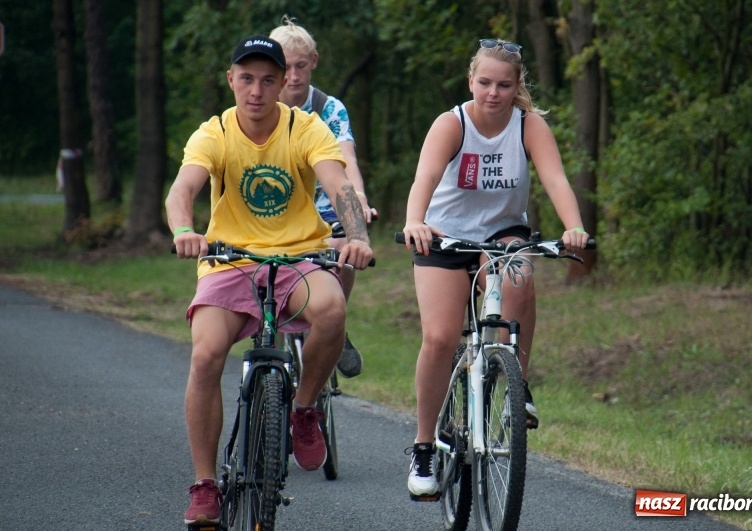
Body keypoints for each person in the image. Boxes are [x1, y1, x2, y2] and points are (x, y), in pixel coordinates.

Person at [165, 35, 373, 526]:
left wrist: (357, 235)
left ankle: (303, 409)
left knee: (333, 309)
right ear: (231, 80)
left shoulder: (306, 128)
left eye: (267, 80)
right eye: (246, 78)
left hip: (298, 256)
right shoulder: (213, 133)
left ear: (284, 83)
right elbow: (182, 190)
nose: (256, 90)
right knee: (205, 354)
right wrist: (184, 230)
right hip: (230, 261)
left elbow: (339, 185)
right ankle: (205, 485)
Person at [399, 38, 591, 498]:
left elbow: (555, 178)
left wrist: (574, 227)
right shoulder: (452, 123)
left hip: (502, 231)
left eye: (504, 84)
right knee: (441, 338)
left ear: (516, 86)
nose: (493, 93)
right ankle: (424, 445)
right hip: (445, 234)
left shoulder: (529, 125)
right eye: (484, 82)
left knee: (520, 272)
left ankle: (516, 388)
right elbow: (424, 176)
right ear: (471, 81)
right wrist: (413, 222)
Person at [269, 16, 378, 379]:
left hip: (325, 204)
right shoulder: (261, 106)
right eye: (286, 68)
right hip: (278, 209)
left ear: (314, 61)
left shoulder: (330, 108)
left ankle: (336, 326)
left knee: (346, 242)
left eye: (302, 66)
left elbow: (347, 158)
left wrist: (358, 198)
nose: (295, 76)